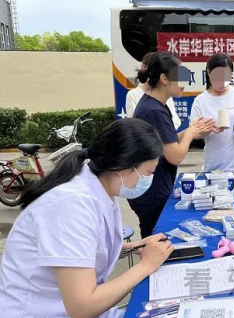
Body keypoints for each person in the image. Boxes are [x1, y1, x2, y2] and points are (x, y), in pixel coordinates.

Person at [0, 119, 174, 318]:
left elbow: (85, 246)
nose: (148, 180)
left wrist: (133, 247)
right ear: (123, 167)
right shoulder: (70, 205)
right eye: (148, 173)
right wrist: (146, 265)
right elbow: (82, 307)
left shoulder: (101, 186)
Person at [130, 51, 215, 238]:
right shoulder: (154, 110)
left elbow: (167, 140)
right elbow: (174, 156)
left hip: (150, 189)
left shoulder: (155, 105)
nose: (186, 83)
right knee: (155, 242)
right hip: (152, 193)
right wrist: (191, 134)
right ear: (164, 79)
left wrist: (191, 130)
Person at [190, 53, 234, 231]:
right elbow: (194, 133)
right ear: (208, 73)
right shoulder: (200, 100)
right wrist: (208, 129)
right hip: (215, 168)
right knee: (217, 215)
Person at [126, 52, 182, 129]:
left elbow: (174, 122)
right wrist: (190, 133)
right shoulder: (151, 106)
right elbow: (134, 126)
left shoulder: (164, 94)